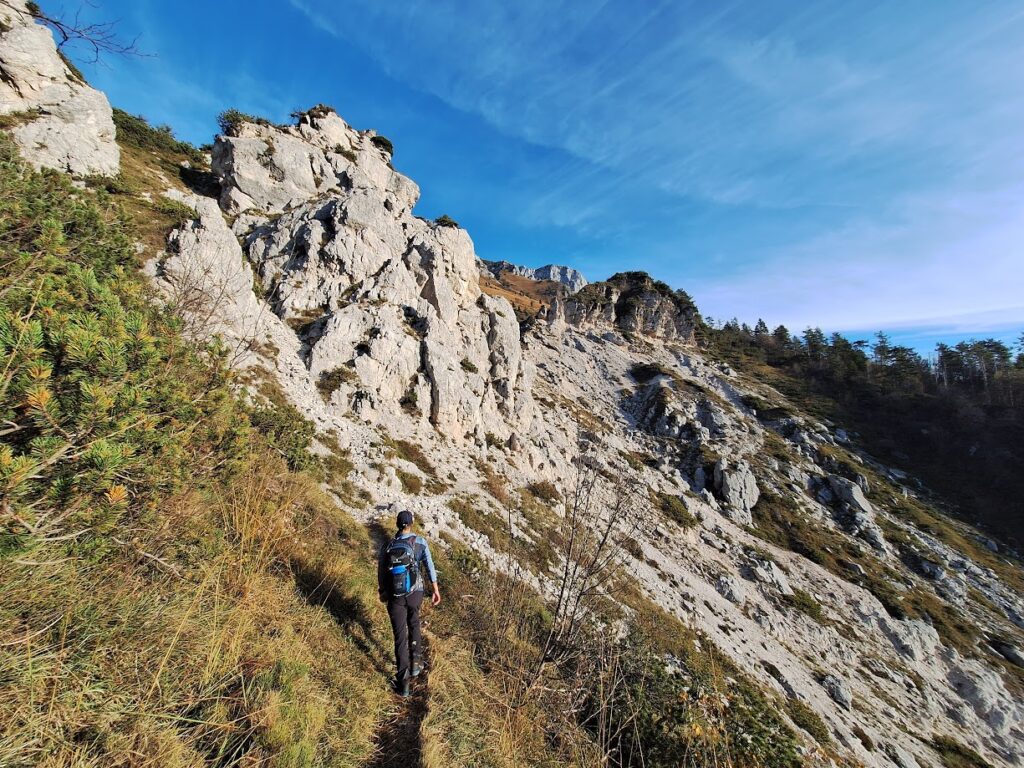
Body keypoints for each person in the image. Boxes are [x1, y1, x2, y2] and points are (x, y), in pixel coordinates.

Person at [378, 509, 441, 696]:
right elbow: (429, 566)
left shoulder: (388, 545)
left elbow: (381, 573)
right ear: (411, 523)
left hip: (395, 596)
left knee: (399, 636)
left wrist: (383, 592)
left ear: (397, 524)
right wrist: (435, 589)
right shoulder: (419, 542)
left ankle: (403, 683)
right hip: (415, 592)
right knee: (414, 622)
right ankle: (416, 662)